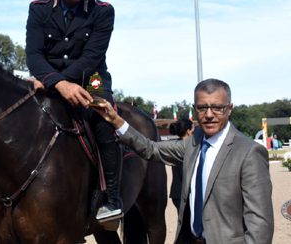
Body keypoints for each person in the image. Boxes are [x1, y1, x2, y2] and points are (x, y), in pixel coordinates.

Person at [91, 78, 273, 244]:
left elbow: (260, 223)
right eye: (202, 108)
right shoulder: (192, 143)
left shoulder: (250, 152)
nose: (209, 114)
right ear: (195, 109)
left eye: (217, 107)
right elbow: (150, 148)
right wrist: (116, 121)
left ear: (229, 108)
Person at [25, 0, 122, 221]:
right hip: (49, 78)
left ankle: (111, 197)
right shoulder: (38, 9)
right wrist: (56, 82)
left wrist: (58, 82)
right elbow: (33, 54)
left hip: (90, 78)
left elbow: (92, 57)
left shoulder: (103, 11)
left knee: (104, 119)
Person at [169, 119, 194, 213]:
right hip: (186, 194)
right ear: (188, 131)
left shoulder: (174, 145)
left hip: (177, 193)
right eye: (192, 129)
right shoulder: (187, 148)